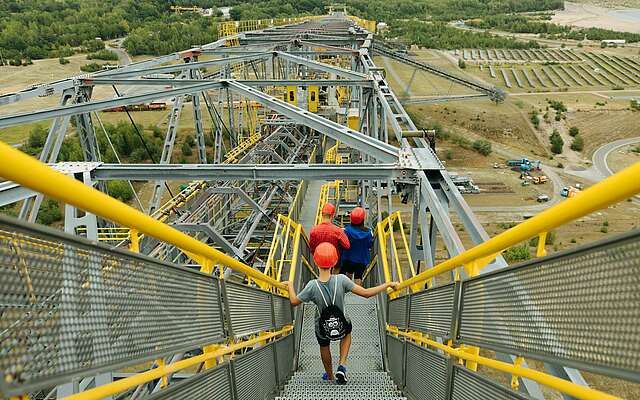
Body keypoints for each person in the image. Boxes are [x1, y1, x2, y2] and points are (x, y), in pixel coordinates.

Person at [287, 242, 399, 385]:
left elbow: (294, 301)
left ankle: (330, 375)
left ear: (315, 262)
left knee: (324, 346)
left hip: (322, 326)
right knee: (347, 334)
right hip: (342, 323)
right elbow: (366, 294)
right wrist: (387, 284)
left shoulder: (311, 286)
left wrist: (290, 285)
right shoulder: (342, 280)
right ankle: (342, 365)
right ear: (334, 262)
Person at [309, 202, 350, 271]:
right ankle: (334, 280)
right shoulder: (338, 231)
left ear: (322, 214)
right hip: (335, 260)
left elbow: (312, 247)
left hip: (320, 259)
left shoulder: (314, 230)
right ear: (332, 216)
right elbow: (347, 245)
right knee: (337, 268)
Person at [341, 207, 373, 286]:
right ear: (362, 219)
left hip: (348, 257)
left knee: (348, 273)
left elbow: (344, 243)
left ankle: (346, 291)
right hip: (362, 259)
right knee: (358, 277)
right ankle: (358, 293)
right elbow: (370, 245)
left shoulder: (347, 230)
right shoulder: (368, 233)